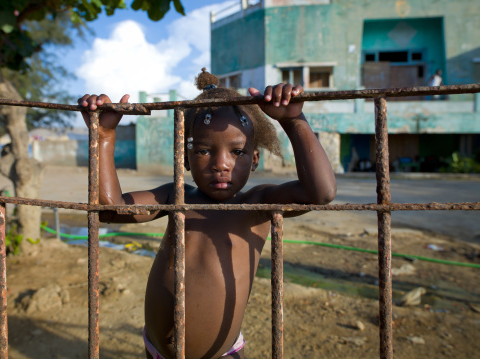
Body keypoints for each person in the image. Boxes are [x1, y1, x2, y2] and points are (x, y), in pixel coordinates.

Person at [78, 69, 336, 359]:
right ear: (185, 159)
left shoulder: (257, 204)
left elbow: (320, 193)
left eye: (237, 152)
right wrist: (103, 136)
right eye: (202, 150)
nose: (221, 164)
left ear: (254, 160)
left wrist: (292, 120)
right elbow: (110, 211)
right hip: (156, 350)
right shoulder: (175, 196)